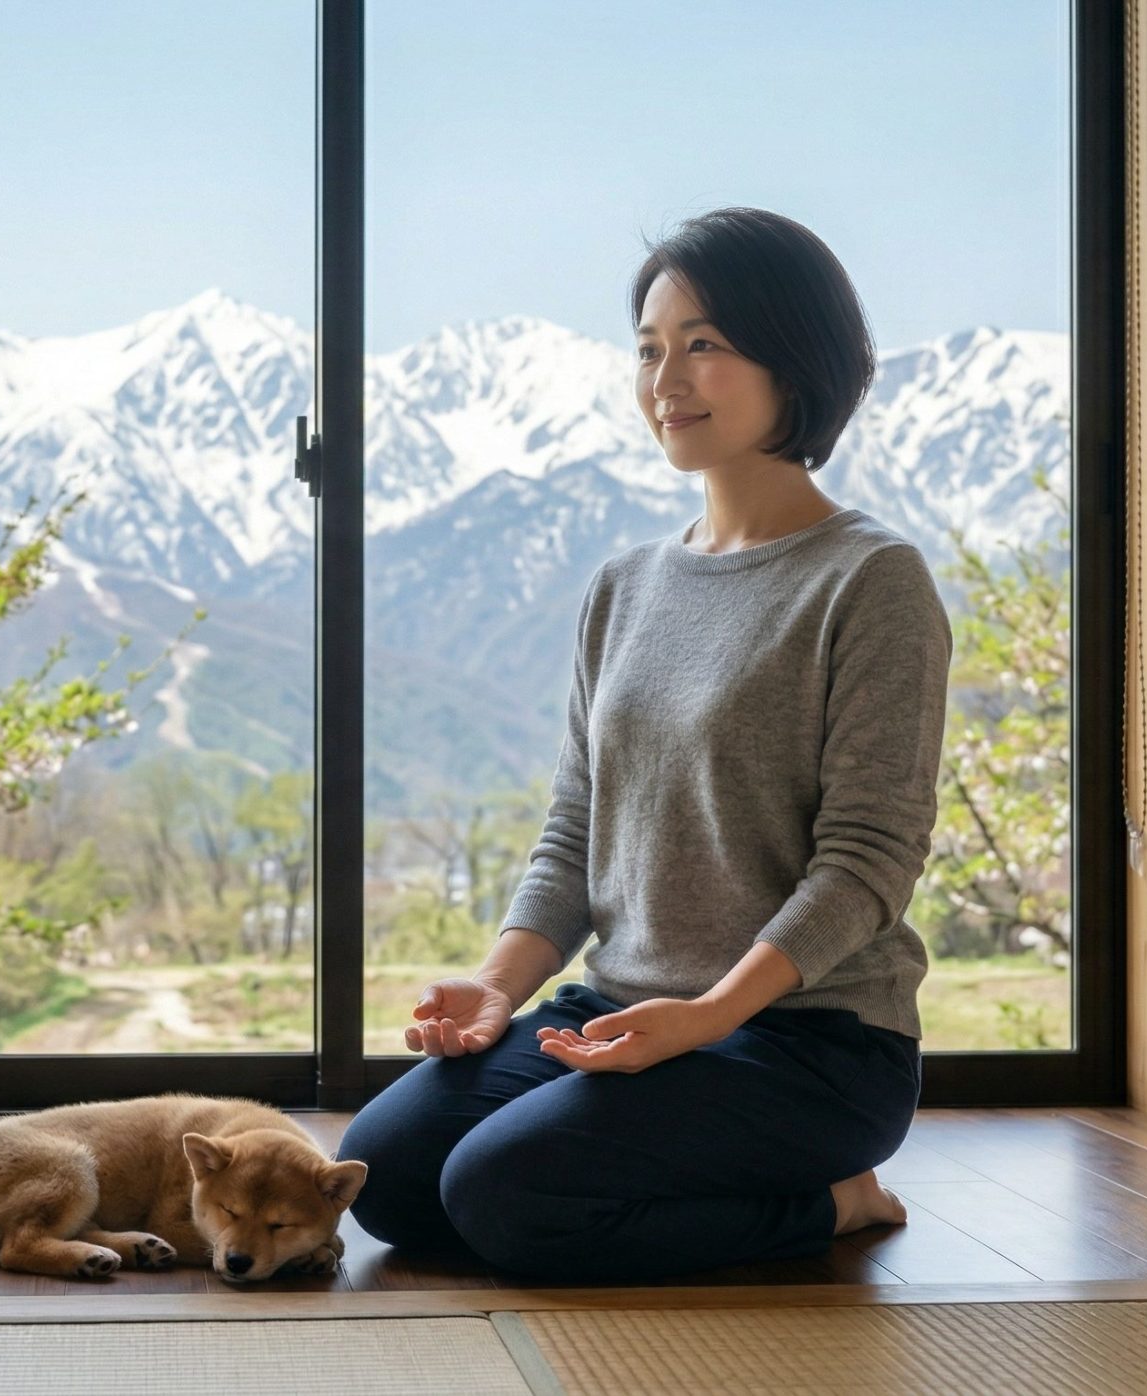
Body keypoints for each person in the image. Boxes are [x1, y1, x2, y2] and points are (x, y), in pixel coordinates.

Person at [338, 207, 952, 1284]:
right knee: (379, 1175)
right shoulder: (625, 585)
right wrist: (499, 986)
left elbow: (868, 860)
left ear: (795, 355)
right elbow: (577, 827)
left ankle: (829, 1203)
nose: (666, 377)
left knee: (502, 1193)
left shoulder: (871, 580)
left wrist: (710, 1015)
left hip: (803, 1042)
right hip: (616, 1011)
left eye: (704, 344)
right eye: (649, 348)